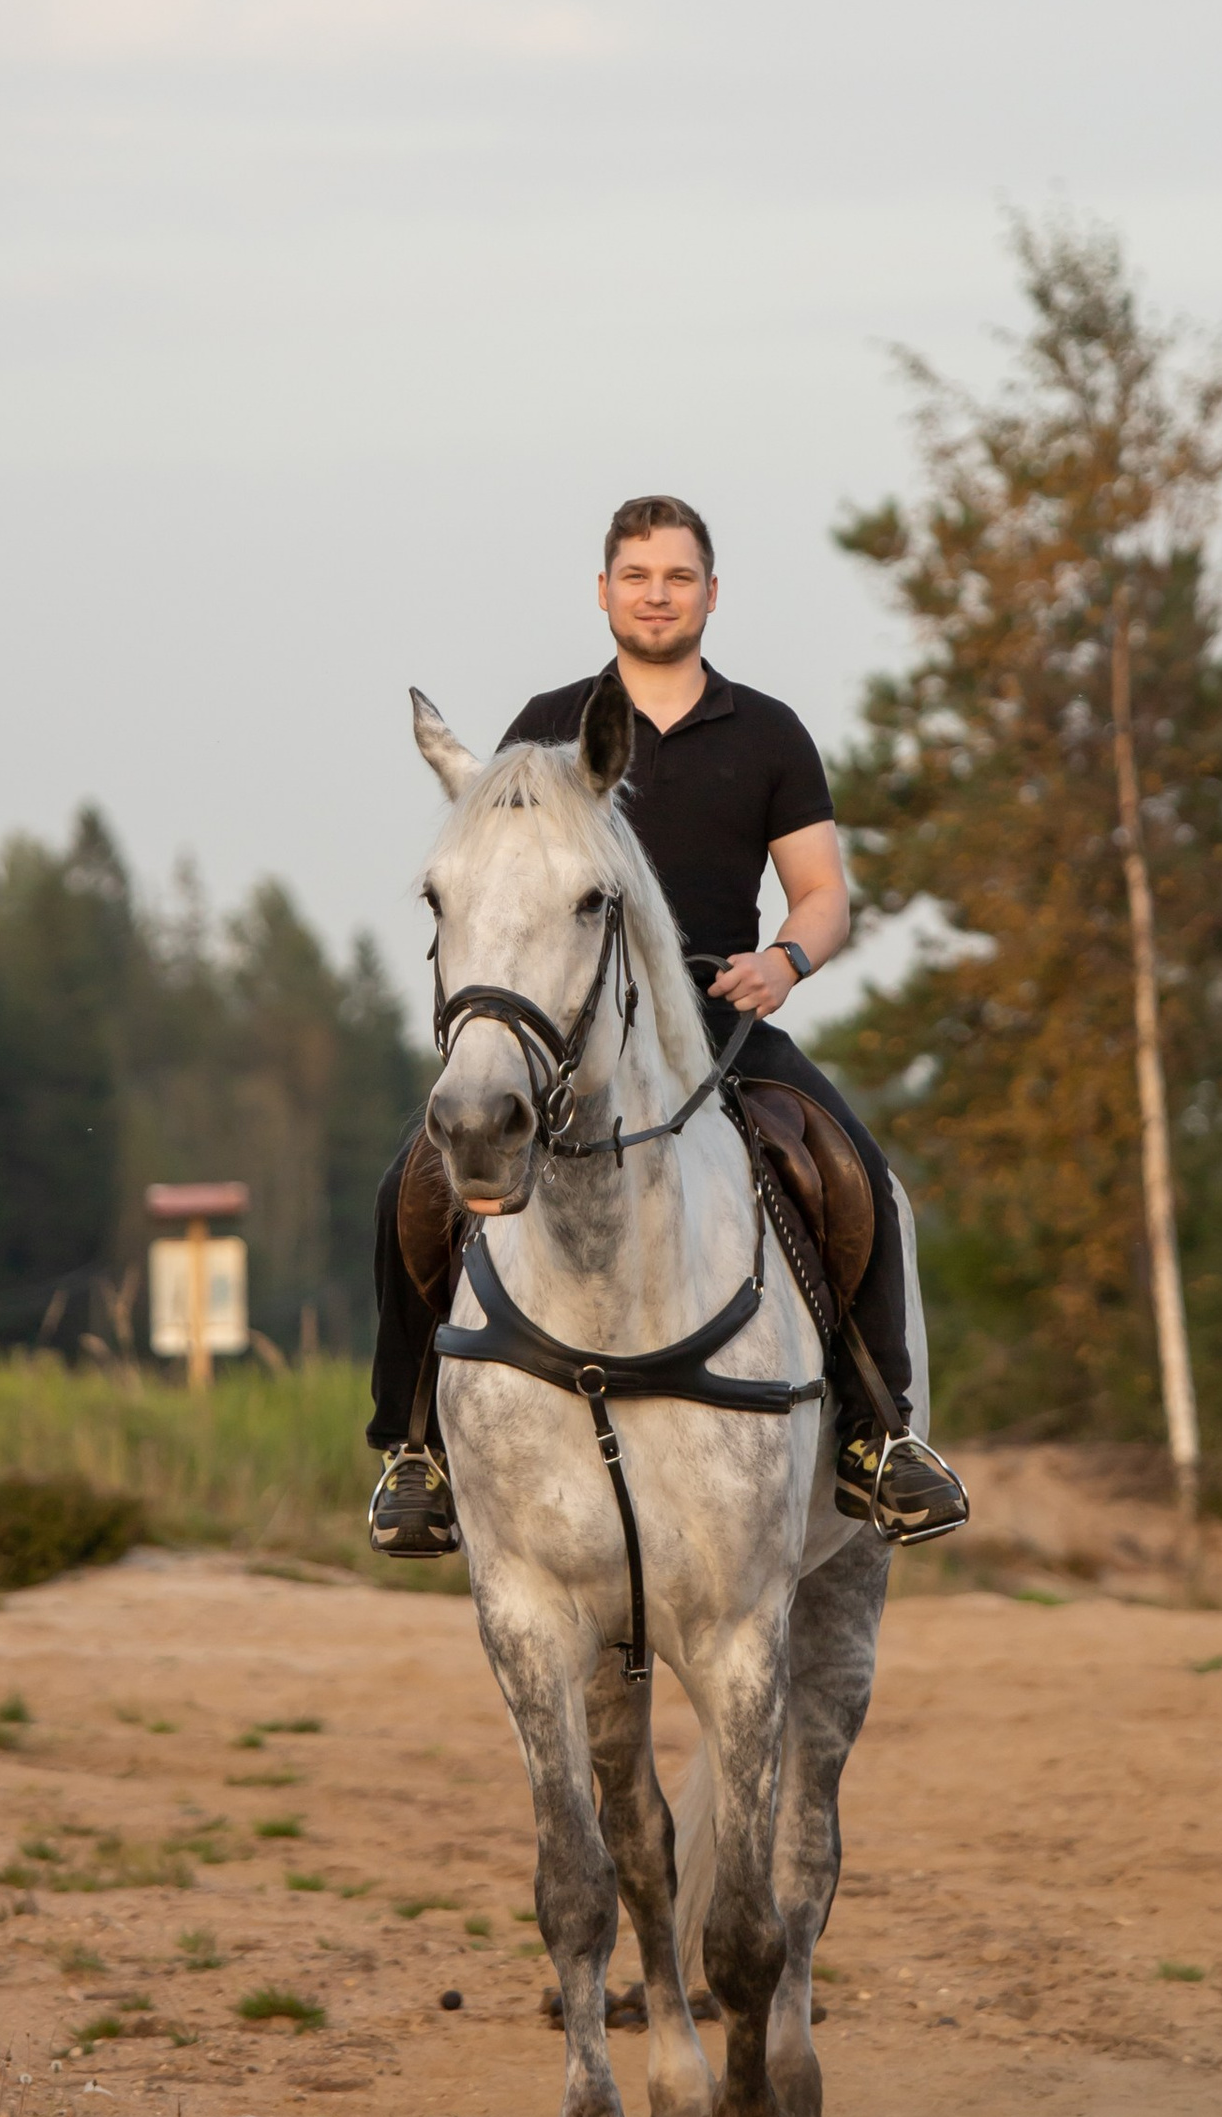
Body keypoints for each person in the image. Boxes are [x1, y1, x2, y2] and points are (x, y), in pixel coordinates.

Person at [366, 491, 970, 1555]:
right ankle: (412, 1448)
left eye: (677, 577)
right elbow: (500, 884)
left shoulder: (771, 732)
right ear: (603, 592)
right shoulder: (543, 730)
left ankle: (880, 1436)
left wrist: (784, 960)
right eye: (637, 577)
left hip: (717, 1016)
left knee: (856, 1173)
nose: (657, 595)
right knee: (410, 1188)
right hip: (571, 1036)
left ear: (710, 594)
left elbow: (823, 890)